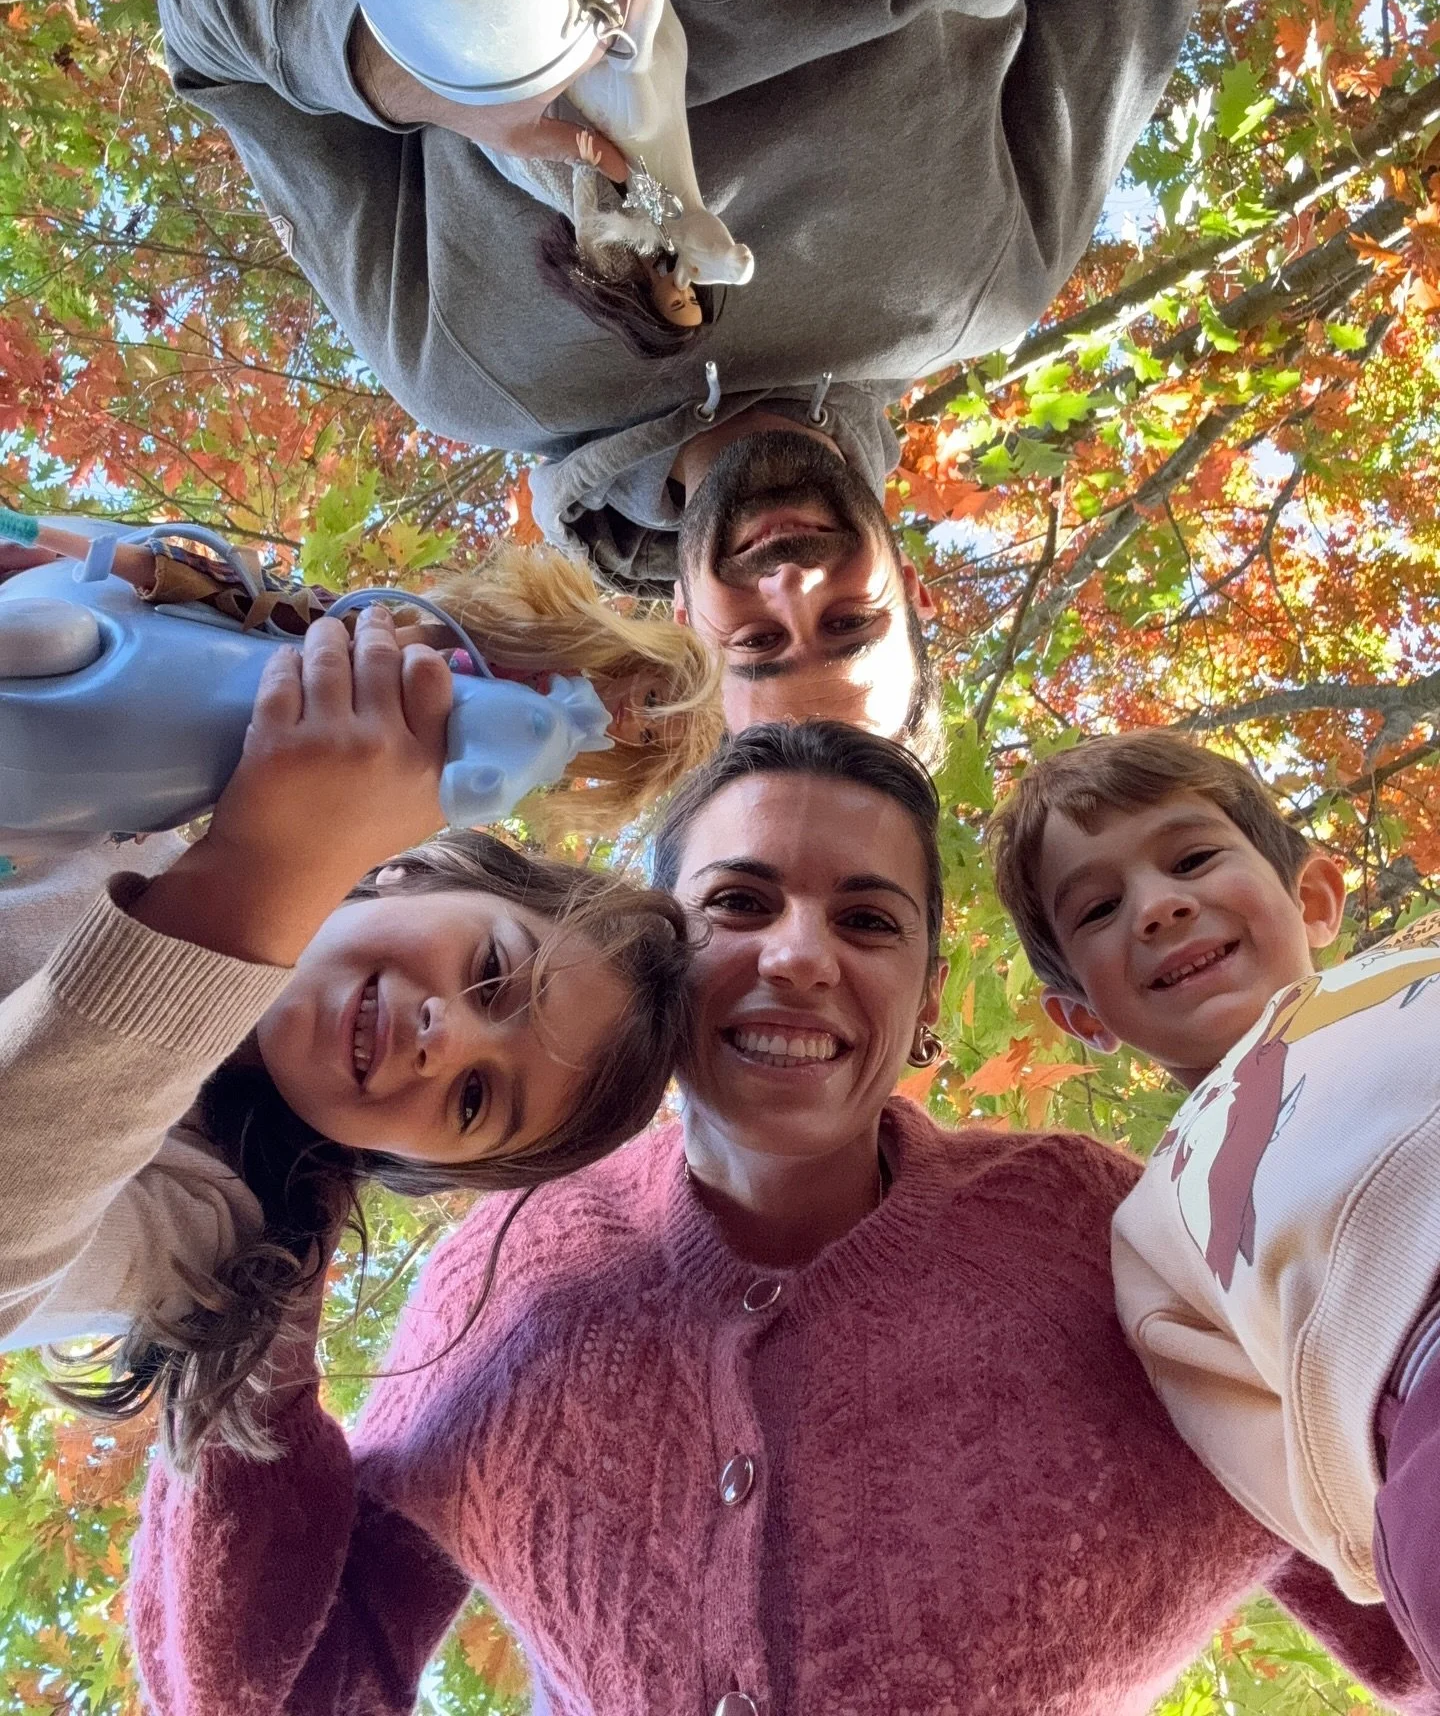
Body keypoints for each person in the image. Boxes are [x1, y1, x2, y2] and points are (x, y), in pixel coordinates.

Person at [125, 722, 1434, 1715]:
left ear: (924, 1008)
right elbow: (278, 1686)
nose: (800, 954)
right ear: (655, 961)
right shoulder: (499, 1277)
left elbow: (1390, 1585)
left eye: (867, 919)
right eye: (738, 905)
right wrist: (257, 1287)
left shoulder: (1119, 1235)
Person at [151, 0, 1259, 745]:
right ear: (912, 589)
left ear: (684, 619)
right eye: (848, 626)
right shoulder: (984, 280)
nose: (792, 588)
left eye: (762, 646)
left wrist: (420, 75)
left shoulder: (465, 367)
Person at [0, 579, 691, 1469]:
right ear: (418, 872)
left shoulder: (204, 1230)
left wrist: (263, 875)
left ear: (416, 1164)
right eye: (489, 972)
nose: (449, 1044)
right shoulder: (152, 797)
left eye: (476, 1100)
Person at [987, 727, 1440, 1684]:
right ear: (1082, 1016)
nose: (1158, 907)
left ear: (1312, 898)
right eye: (1100, 909)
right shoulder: (1163, 1212)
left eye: (1192, 857)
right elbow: (1277, 1457)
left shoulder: (1415, 971)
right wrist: (1384, 1520)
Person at [6, 521, 722, 836]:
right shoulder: (526, 649)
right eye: (655, 699)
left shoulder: (543, 746)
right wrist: (368, 646)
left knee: (179, 797)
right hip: (330, 653)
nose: (637, 718)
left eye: (649, 734)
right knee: (204, 583)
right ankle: (50, 541)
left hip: (336, 742)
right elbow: (425, 630)